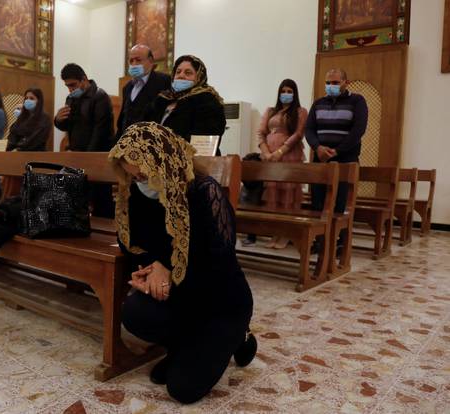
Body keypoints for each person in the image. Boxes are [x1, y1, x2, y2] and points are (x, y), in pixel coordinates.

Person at [110, 122, 256, 404]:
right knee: (136, 313)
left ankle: (238, 333)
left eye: (145, 174)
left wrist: (166, 266)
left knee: (182, 390)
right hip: (182, 297)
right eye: (135, 176)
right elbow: (131, 245)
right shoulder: (137, 194)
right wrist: (148, 269)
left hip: (220, 300)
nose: (141, 181)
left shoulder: (203, 191)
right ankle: (186, 345)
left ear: (164, 160)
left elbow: (220, 259)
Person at [306, 68, 368, 251]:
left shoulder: (357, 101)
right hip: (321, 160)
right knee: (318, 201)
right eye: (328, 83)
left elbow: (358, 130)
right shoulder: (318, 104)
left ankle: (339, 241)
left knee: (341, 203)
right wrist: (318, 147)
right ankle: (319, 239)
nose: (330, 86)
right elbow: (309, 129)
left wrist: (337, 151)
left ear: (345, 83)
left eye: (335, 83)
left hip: (345, 160)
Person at [54, 63, 115, 217]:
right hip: (77, 155)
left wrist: (87, 158)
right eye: (67, 86)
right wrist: (58, 120)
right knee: (78, 200)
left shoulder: (100, 97)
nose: (70, 90)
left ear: (84, 79)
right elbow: (67, 126)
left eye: (73, 85)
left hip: (96, 156)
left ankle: (104, 238)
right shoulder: (71, 98)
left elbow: (100, 131)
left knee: (101, 202)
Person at [257, 79, 308, 249]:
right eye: (283, 91)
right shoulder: (271, 111)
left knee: (287, 194)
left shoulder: (300, 111)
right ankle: (275, 233)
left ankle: (286, 234)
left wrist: (280, 151)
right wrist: (266, 152)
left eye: (290, 91)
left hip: (289, 156)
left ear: (295, 94)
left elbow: (299, 134)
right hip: (270, 157)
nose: (286, 94)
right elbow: (261, 132)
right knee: (272, 194)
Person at [146, 55, 226, 144]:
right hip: (157, 154)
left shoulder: (207, 101)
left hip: (192, 155)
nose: (181, 76)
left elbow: (205, 136)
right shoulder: (163, 99)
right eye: (178, 72)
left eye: (188, 73)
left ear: (199, 77)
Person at [115, 44, 171, 141]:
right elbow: (123, 119)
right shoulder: (127, 88)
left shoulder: (164, 81)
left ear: (151, 61)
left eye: (138, 60)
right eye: (131, 61)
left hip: (152, 142)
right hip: (127, 143)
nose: (134, 64)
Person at [6, 87, 51, 152]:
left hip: (35, 154)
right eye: (26, 98)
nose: (28, 100)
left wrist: (19, 149)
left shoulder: (44, 118)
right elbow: (13, 134)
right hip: (16, 153)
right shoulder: (22, 117)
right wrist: (9, 148)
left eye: (31, 98)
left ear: (39, 101)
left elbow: (36, 139)